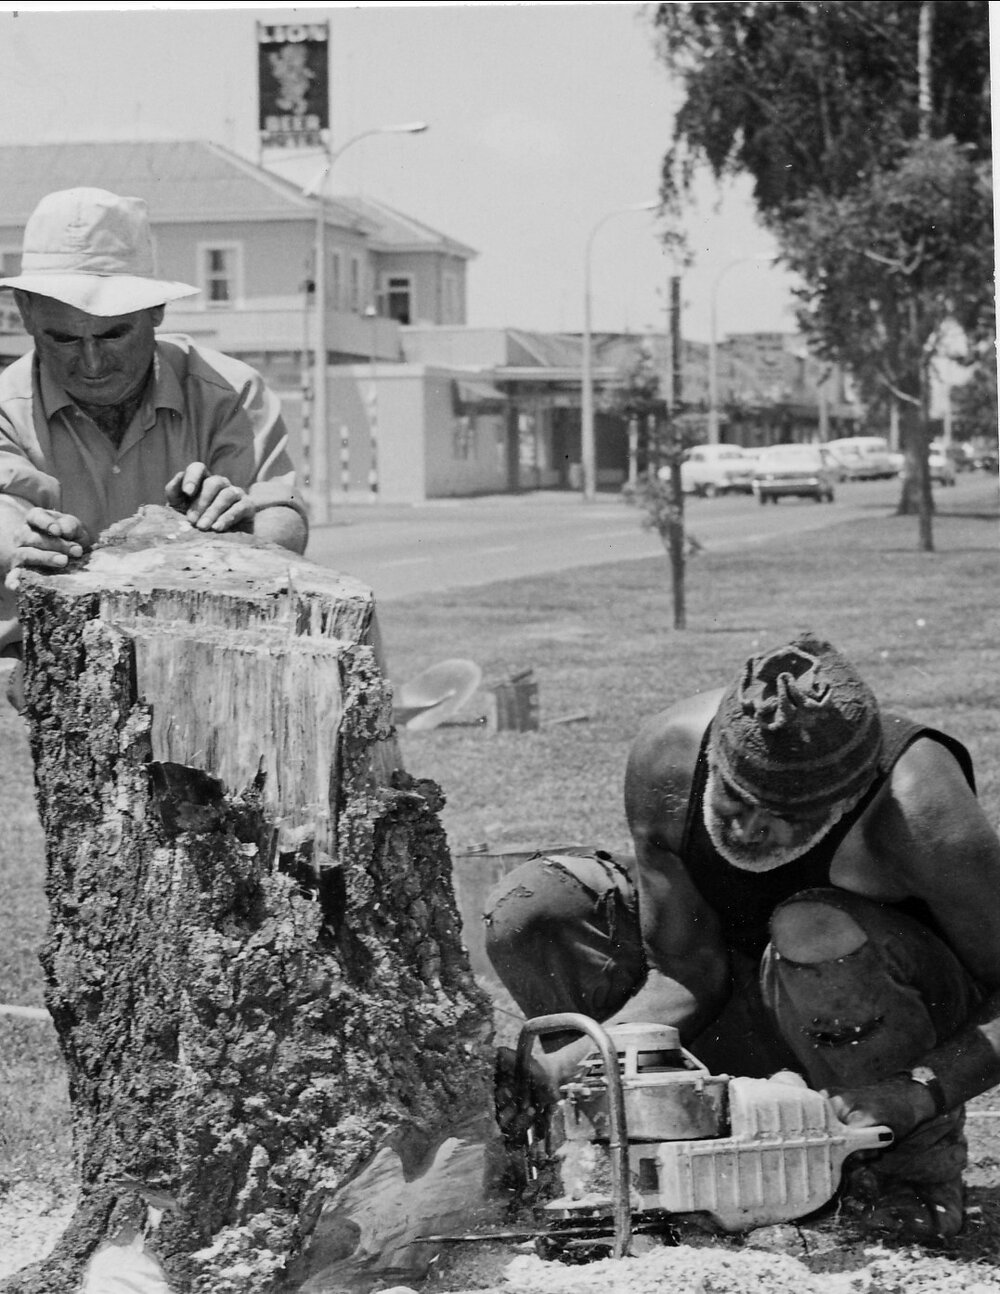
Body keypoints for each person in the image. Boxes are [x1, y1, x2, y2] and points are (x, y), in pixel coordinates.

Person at [485, 633, 1000, 1242]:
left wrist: (918, 1092)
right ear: (718, 761)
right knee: (533, 907)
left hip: (879, 1041)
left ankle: (901, 1180)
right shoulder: (670, 759)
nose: (751, 829)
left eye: (784, 818)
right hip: (744, 1007)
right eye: (735, 799)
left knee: (810, 926)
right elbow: (684, 973)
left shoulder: (923, 811)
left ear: (848, 799)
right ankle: (646, 1144)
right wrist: (560, 1071)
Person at [0, 186, 308, 656]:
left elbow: (283, 518)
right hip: (42, 659)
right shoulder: (5, 407)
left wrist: (233, 533)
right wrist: (31, 547)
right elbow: (4, 520)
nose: (92, 363)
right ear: (25, 313)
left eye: (113, 334)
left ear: (156, 311)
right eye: (63, 339)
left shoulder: (230, 391)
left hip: (199, 647)